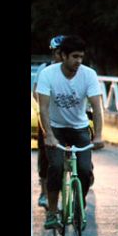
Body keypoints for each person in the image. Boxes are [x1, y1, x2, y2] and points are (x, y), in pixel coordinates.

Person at [36, 36, 105, 229]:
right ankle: (51, 212)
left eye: (81, 57)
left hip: (79, 128)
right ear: (63, 56)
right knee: (56, 167)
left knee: (84, 170)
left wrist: (99, 135)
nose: (78, 61)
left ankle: (79, 201)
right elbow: (43, 108)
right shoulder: (48, 74)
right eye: (75, 56)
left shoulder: (88, 74)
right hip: (55, 127)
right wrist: (48, 134)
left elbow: (97, 107)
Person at [33, 35, 66, 208]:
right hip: (48, 117)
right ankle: (44, 191)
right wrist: (46, 109)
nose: (60, 55)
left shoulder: (75, 70)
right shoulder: (44, 69)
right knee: (46, 153)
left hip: (69, 117)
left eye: (63, 52)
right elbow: (36, 93)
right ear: (53, 52)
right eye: (57, 52)